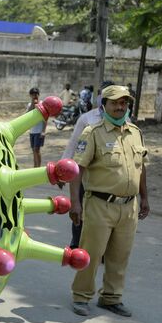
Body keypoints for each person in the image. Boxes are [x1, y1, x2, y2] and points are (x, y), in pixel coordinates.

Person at [68, 85, 150, 317]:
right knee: (91, 253)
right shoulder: (93, 132)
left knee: (120, 255)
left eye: (124, 103)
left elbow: (140, 167)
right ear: (104, 105)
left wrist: (145, 197)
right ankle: (81, 296)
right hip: (99, 205)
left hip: (129, 206)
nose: (120, 107)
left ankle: (111, 297)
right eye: (115, 102)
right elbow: (77, 169)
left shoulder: (135, 132)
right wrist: (75, 203)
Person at [60, 98, 106, 247]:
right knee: (79, 208)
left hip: (105, 178)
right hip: (84, 174)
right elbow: (73, 145)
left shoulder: (124, 120)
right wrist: (61, 170)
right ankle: (76, 243)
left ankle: (101, 249)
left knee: (101, 215)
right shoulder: (87, 119)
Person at [26, 87, 46, 168]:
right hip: (32, 131)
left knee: (37, 150)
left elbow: (45, 118)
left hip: (39, 131)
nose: (35, 96)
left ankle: (38, 167)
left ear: (39, 95)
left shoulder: (42, 104)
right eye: (33, 94)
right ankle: (35, 166)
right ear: (30, 95)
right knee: (33, 150)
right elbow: (28, 115)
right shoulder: (29, 105)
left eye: (36, 94)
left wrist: (43, 131)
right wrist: (33, 104)